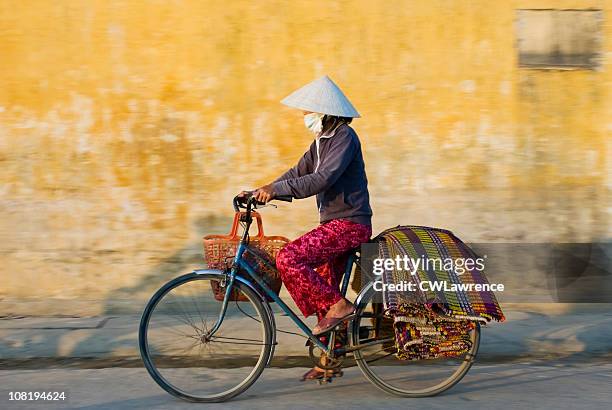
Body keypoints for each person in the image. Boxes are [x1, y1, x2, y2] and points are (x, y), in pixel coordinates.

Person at [239, 75, 373, 381]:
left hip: (349, 224)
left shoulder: (344, 138)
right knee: (323, 283)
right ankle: (331, 358)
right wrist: (264, 189)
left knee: (289, 258)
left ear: (325, 112)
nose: (304, 117)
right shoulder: (321, 142)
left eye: (307, 111)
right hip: (335, 224)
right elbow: (298, 172)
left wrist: (277, 190)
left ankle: (341, 307)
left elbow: (322, 179)